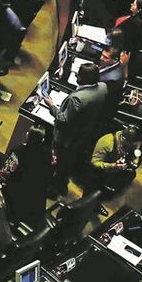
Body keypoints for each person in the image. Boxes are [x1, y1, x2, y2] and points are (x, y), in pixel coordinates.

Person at [44, 63, 107, 195]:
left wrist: (51, 106)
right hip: (83, 133)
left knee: (56, 160)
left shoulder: (77, 99)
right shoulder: (103, 87)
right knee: (68, 161)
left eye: (78, 74)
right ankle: (61, 183)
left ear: (83, 78)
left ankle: (52, 188)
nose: (76, 75)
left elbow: (63, 119)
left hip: (66, 138)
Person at [0, 125, 53, 225]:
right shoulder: (49, 155)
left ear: (27, 135)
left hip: (15, 201)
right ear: (42, 139)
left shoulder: (18, 151)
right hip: (36, 201)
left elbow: (4, 174)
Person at [90, 125, 142, 191]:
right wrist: (113, 165)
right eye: (132, 145)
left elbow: (136, 153)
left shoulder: (132, 143)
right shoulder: (108, 143)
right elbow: (94, 163)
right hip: (100, 174)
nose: (134, 147)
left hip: (115, 173)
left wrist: (134, 161)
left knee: (131, 173)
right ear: (124, 139)